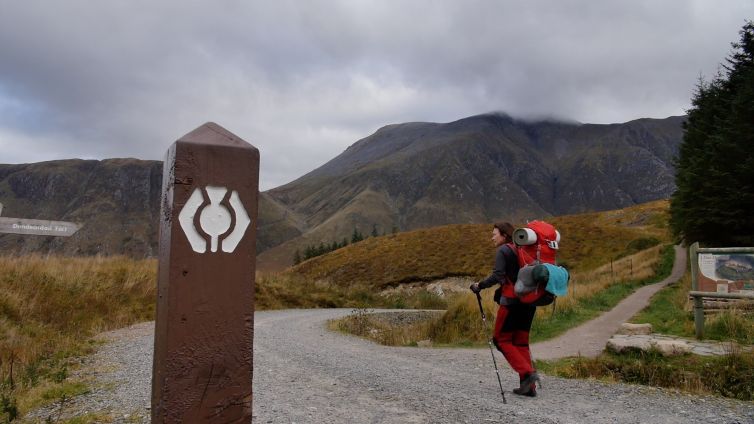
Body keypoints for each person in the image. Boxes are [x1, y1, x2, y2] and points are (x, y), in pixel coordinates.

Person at [470, 222, 540, 397]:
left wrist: (480, 285)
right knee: (521, 342)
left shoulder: (504, 251)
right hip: (530, 303)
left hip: (512, 302)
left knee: (501, 340)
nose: (492, 237)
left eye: (494, 234)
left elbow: (498, 275)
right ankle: (528, 387)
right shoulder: (523, 250)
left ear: (504, 235)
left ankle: (528, 373)